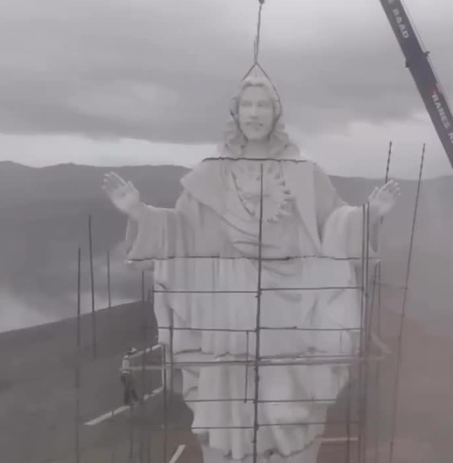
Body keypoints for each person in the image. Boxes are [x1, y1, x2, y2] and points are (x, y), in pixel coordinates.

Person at [102, 73, 399, 463]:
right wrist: (139, 213)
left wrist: (368, 216)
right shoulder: (212, 172)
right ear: (236, 112)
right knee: (228, 402)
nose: (254, 113)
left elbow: (332, 225)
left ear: (276, 113)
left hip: (290, 309)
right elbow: (183, 230)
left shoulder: (305, 173)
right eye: (247, 105)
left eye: (263, 105)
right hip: (228, 309)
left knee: (286, 403)